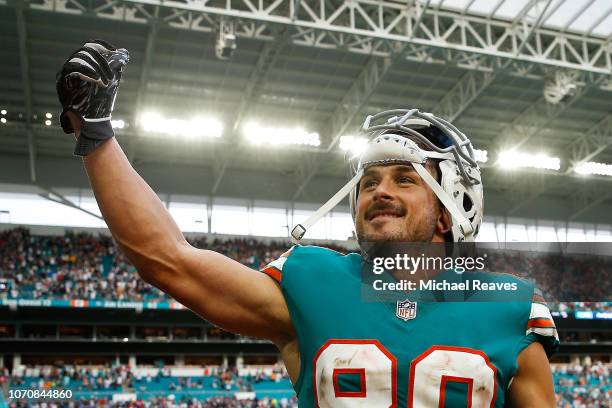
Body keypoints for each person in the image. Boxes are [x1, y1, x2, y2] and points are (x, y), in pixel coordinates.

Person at [56, 40, 558, 407]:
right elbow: (170, 260)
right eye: (369, 182)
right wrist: (97, 136)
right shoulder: (315, 279)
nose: (379, 191)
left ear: (449, 212)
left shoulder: (508, 305)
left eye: (405, 180)